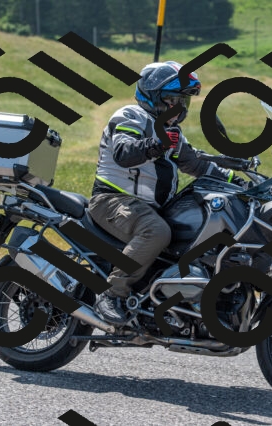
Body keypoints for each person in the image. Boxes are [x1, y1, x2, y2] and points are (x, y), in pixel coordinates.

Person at [89, 61, 245, 326]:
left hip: (148, 208)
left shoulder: (173, 133)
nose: (179, 107)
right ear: (153, 95)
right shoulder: (130, 116)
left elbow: (197, 165)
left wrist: (238, 182)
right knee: (157, 231)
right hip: (113, 200)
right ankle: (112, 294)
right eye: (173, 100)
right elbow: (124, 152)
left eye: (183, 101)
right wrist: (156, 144)